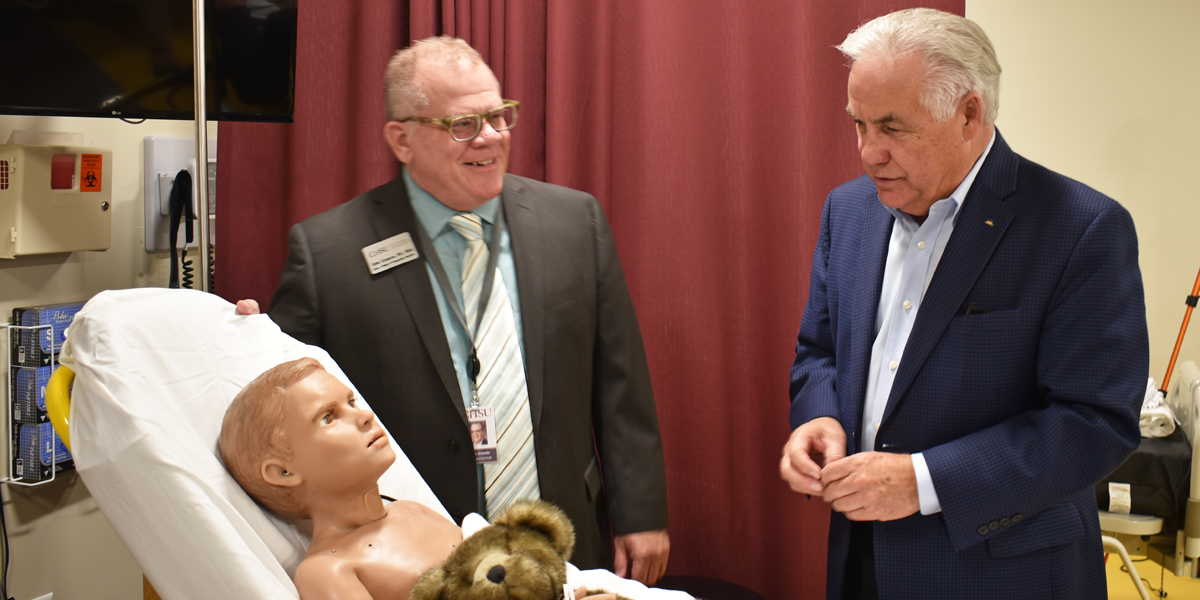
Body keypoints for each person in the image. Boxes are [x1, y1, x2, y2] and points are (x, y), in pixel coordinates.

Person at [242, 36, 668, 583]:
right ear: (402, 139)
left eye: (499, 116)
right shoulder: (329, 253)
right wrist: (246, 340)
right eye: (462, 124)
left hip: (563, 531)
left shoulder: (574, 222)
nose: (489, 137)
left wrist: (642, 514)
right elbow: (285, 405)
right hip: (417, 553)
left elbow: (621, 385)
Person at [779, 8, 1148, 600]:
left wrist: (924, 481)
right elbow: (819, 353)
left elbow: (1094, 424)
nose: (868, 152)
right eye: (859, 125)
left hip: (1003, 572)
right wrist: (820, 418)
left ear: (969, 113)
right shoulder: (846, 211)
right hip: (863, 561)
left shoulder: (1082, 228)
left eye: (892, 128)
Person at [219, 357, 635, 600]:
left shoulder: (412, 510)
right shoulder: (328, 573)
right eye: (329, 417)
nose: (363, 414)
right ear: (283, 471)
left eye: (351, 400)